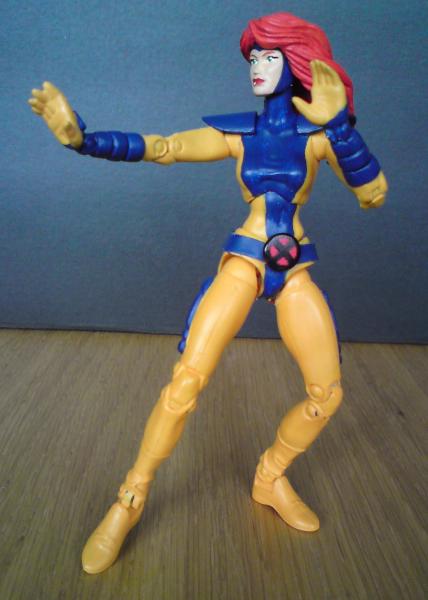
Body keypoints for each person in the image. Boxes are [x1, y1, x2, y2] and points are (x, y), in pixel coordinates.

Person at [29, 12, 387, 574]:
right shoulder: (237, 134)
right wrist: (84, 141)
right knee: (186, 381)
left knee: (327, 393)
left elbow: (373, 194)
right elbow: (165, 146)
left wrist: (340, 127)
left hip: (293, 267)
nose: (256, 66)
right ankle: (130, 497)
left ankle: (270, 477)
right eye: (252, 57)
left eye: (269, 56)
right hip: (245, 259)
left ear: (297, 61)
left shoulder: (319, 138)